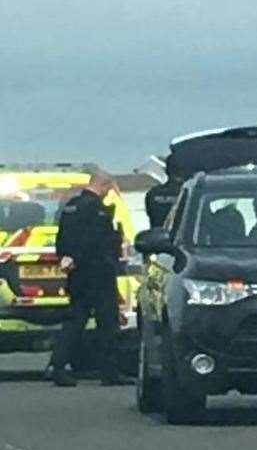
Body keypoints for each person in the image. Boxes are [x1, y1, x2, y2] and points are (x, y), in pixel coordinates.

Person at [49, 175, 128, 386]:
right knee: (108, 322)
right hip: (98, 272)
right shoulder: (98, 210)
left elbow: (61, 240)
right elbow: (96, 242)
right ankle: (110, 372)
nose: (107, 194)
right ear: (102, 186)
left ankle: (57, 365)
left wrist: (69, 258)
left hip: (77, 274)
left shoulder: (71, 207)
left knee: (75, 319)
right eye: (108, 189)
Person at [145, 154, 183, 229]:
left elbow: (151, 216)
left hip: (158, 237)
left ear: (166, 171)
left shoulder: (153, 194)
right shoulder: (190, 194)